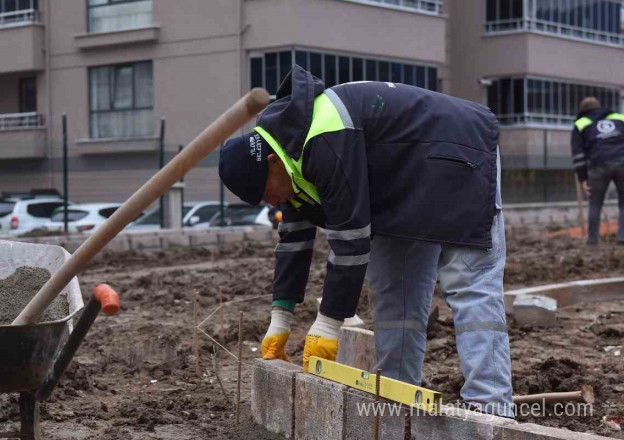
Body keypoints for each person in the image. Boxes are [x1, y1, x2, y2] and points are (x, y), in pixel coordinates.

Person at [218, 66, 513, 417]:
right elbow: (294, 241)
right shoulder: (289, 156)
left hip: (459, 151)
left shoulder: (325, 137)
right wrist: (280, 317)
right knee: (394, 291)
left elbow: (351, 237)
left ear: (271, 163)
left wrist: (328, 323)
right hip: (402, 181)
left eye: (267, 193)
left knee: (469, 283)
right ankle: (398, 400)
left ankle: (492, 410)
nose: (273, 203)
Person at [571, 97, 624, 245]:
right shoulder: (620, 118)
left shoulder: (580, 124)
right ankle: (622, 239)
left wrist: (583, 179)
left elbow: (578, 155)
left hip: (598, 164)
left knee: (595, 204)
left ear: (582, 111)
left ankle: (593, 240)